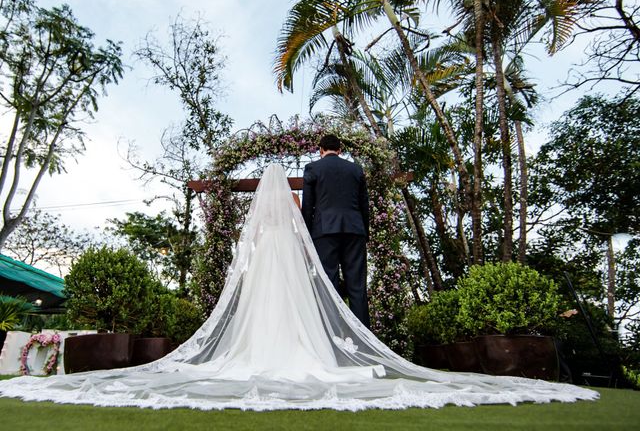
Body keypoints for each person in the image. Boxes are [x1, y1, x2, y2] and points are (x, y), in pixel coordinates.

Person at [0, 164, 598, 410]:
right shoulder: (299, 204)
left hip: (262, 270)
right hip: (310, 252)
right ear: (287, 192)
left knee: (260, 314)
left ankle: (258, 352)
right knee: (308, 305)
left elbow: (261, 242)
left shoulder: (268, 214)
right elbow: (315, 225)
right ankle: (315, 351)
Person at [301, 134, 370, 327]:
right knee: (357, 286)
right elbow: (365, 205)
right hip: (355, 230)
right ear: (340, 150)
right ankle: (364, 341)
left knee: (329, 284)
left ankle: (333, 338)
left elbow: (308, 207)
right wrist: (365, 232)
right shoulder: (356, 169)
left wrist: (306, 237)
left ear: (320, 150)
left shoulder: (313, 168)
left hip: (324, 232)